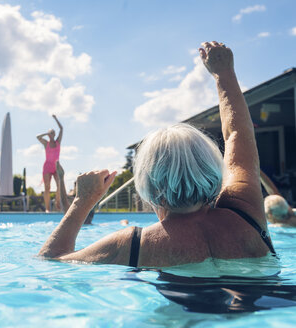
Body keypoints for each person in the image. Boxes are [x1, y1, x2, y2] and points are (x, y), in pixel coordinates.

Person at [38, 41, 276, 268]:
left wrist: (82, 202)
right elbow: (236, 134)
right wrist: (224, 74)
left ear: (147, 184)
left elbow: (51, 261)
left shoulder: (133, 245)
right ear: (212, 170)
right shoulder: (246, 211)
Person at [37, 114, 63, 212]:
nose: (52, 134)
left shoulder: (58, 142)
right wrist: (46, 133)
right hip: (47, 166)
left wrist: (55, 118)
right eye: (50, 133)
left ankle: (57, 202)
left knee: (60, 184)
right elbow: (37, 137)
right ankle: (47, 208)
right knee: (47, 187)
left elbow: (61, 128)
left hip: (56, 166)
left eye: (53, 133)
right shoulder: (46, 143)